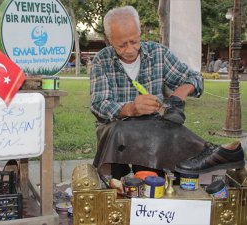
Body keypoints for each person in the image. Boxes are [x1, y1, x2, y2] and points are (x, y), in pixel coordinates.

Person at [90, 6, 245, 180]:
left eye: (134, 41)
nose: (130, 49)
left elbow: (195, 78)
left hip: (152, 132)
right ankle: (213, 153)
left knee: (163, 150)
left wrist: (180, 93)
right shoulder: (101, 61)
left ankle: (209, 155)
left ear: (140, 31)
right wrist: (130, 109)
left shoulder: (158, 54)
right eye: (121, 45)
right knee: (122, 135)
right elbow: (98, 104)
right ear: (109, 39)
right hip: (117, 135)